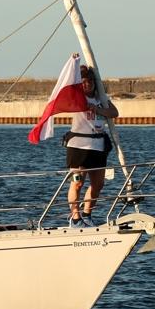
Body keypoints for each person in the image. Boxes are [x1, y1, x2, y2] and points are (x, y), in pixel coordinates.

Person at [64, 65, 119, 226]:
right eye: (83, 82)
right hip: (79, 147)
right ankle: (75, 218)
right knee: (78, 182)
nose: (86, 85)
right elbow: (70, 87)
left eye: (89, 82)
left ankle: (87, 214)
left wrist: (98, 109)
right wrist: (75, 64)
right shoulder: (78, 97)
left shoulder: (100, 98)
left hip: (98, 146)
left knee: (98, 184)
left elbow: (114, 113)